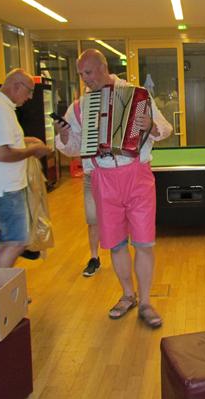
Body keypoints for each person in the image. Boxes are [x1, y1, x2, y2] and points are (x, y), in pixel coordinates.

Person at [55, 49, 172, 327]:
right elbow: (72, 149)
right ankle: (128, 295)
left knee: (143, 243)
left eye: (88, 72)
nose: (85, 79)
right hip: (102, 179)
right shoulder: (79, 107)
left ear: (102, 67)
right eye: (81, 74)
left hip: (137, 176)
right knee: (116, 244)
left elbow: (166, 128)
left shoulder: (137, 95)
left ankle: (146, 302)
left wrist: (152, 126)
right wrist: (64, 136)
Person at [0, 68, 51, 268]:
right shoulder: (0, 110)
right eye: (29, 91)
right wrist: (33, 150)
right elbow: (3, 154)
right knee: (17, 242)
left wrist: (25, 141)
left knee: (5, 242)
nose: (30, 97)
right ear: (17, 86)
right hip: (5, 189)